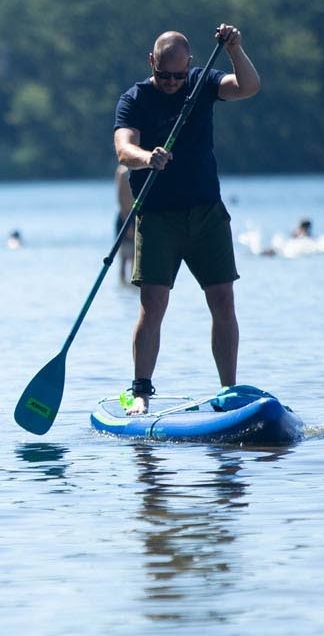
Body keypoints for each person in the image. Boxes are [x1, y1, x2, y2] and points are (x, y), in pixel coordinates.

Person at [112, 23, 261, 414]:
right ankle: (140, 390)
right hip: (158, 217)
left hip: (207, 214)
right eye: (165, 74)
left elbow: (248, 87)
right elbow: (123, 149)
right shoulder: (134, 99)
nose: (173, 82)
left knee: (223, 301)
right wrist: (148, 157)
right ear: (151, 62)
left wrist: (235, 50)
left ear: (189, 65)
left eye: (179, 74)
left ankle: (228, 389)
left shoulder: (202, 82)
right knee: (153, 304)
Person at [114, 162, 135, 284]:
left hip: (134, 216)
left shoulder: (138, 169)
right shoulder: (123, 171)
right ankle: (123, 283)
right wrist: (127, 223)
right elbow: (120, 199)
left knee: (135, 257)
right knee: (125, 257)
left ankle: (132, 288)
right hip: (125, 217)